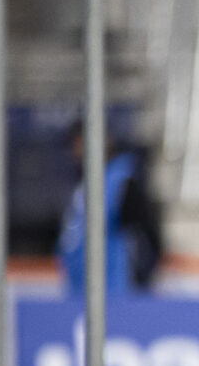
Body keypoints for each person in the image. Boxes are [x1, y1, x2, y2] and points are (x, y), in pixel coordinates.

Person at [59, 122, 164, 296]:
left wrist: (141, 279)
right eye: (75, 145)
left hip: (115, 290)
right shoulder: (83, 186)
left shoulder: (121, 183)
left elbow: (144, 236)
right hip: (80, 289)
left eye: (81, 143)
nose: (76, 151)